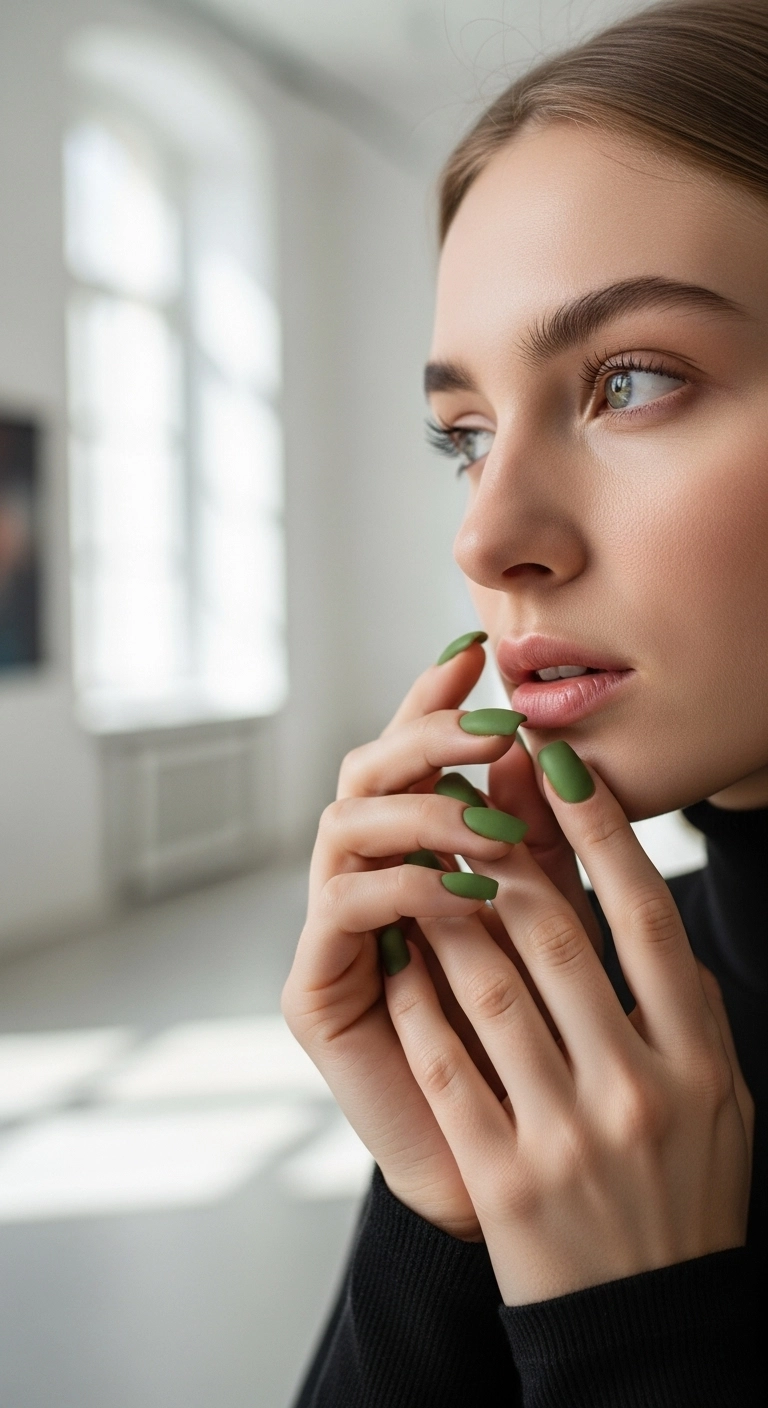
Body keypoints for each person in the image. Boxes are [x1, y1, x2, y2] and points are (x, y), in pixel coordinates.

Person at [282, 2, 765, 1402]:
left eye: (629, 381)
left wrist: (640, 1338)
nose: (487, 538)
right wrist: (439, 1207)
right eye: (466, 436)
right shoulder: (571, 1038)